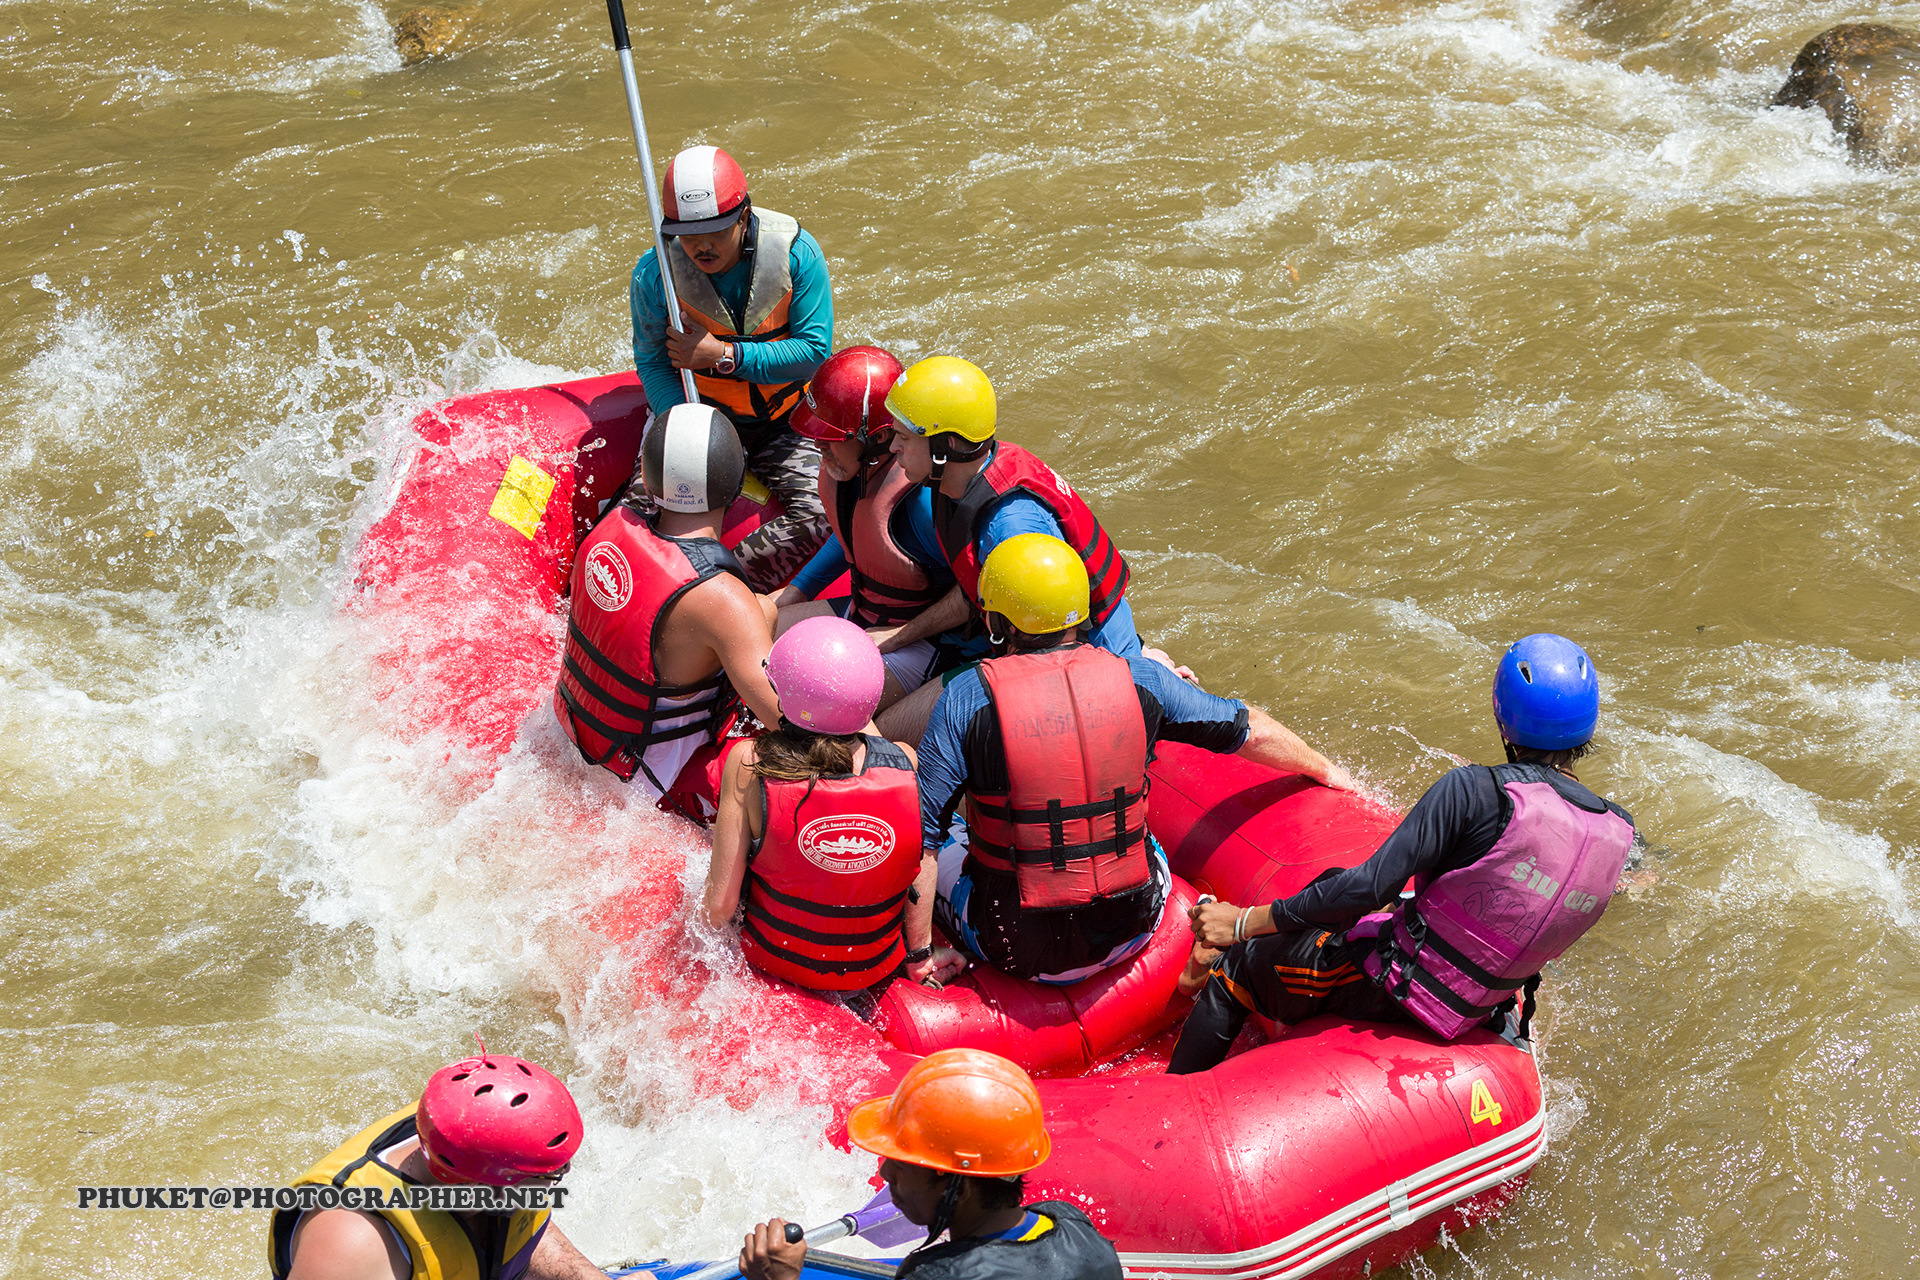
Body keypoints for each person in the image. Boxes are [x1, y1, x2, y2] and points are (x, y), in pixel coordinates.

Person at [1167, 633, 1637, 1074]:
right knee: (1331, 876)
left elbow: (1368, 889)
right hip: (1485, 1005)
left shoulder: (1473, 790)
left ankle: (1185, 1071)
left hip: (1400, 989)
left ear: (1502, 716)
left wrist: (1244, 923)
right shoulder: (1618, 832)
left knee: (1240, 965)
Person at [916, 534, 1353, 985]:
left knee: (943, 826)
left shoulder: (964, 699)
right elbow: (1249, 729)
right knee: (1136, 831)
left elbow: (919, 844)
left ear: (996, 620)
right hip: (1135, 927)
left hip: (1015, 949)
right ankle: (1195, 918)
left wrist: (918, 955)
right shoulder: (1142, 679)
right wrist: (1324, 768)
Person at [877, 357, 1137, 742]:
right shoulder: (959, 482)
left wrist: (1137, 671)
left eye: (905, 436)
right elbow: (975, 591)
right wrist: (900, 635)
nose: (893, 446)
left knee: (884, 735)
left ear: (944, 446)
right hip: (1020, 640)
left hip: (1086, 668)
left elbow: (1052, 644)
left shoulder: (1011, 528)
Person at [704, 615, 967, 991]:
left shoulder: (750, 765)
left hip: (774, 958)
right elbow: (920, 859)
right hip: (872, 966)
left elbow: (718, 910)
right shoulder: (904, 762)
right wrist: (919, 955)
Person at [553, 403, 781, 824]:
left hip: (577, 732)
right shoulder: (722, 598)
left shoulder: (609, 528)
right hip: (650, 782)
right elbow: (789, 721)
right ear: (735, 485)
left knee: (764, 609)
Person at [628, 144, 834, 591]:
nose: (701, 245)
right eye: (687, 234)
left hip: (783, 422)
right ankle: (630, 594)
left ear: (744, 215)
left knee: (823, 516)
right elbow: (651, 360)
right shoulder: (654, 275)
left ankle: (719, 590)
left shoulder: (798, 253)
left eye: (716, 231)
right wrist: (684, 422)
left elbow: (814, 351)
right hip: (700, 414)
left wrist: (723, 356)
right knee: (638, 511)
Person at [737, 1049, 1122, 1280]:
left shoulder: (937, 1275)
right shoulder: (1072, 1224)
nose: (885, 1173)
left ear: (963, 1186)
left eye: (905, 1165)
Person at [269, 1046, 610, 1280]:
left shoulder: (475, 1141)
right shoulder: (353, 1244)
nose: (563, 1175)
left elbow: (517, 1227)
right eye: (552, 1173)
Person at [765, 345, 968, 708]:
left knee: (819, 700)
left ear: (876, 438)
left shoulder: (922, 503)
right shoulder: (851, 473)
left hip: (931, 643)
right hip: (866, 613)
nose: (818, 445)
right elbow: (854, 537)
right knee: (751, 623)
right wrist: (798, 590)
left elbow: (976, 591)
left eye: (830, 438)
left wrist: (899, 636)